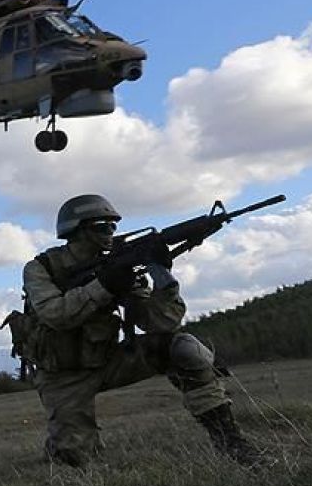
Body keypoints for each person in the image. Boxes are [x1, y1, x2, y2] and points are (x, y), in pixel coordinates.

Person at [20, 194, 264, 468]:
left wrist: (162, 275)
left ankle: (233, 445)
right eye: (102, 226)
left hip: (107, 361)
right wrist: (105, 286)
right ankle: (63, 448)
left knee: (184, 348)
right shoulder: (41, 268)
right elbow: (56, 315)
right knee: (73, 461)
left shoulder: (117, 266)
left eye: (113, 226)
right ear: (76, 230)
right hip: (61, 376)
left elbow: (160, 323)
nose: (110, 233)